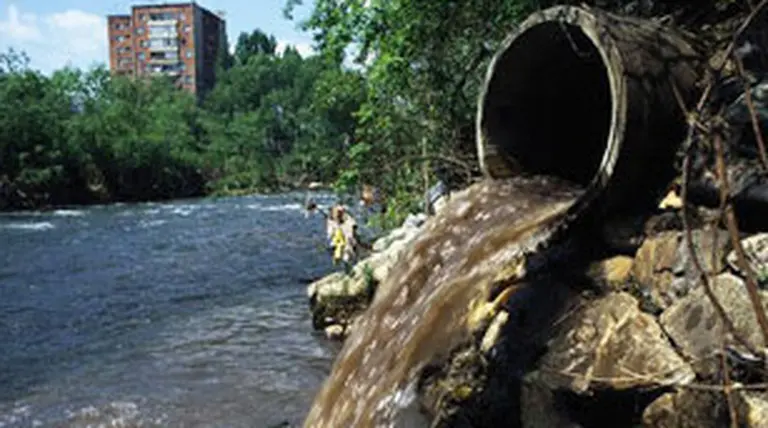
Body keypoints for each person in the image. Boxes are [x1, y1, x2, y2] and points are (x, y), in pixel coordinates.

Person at [326, 203, 359, 273]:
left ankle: (349, 268)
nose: (338, 214)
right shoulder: (331, 221)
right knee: (339, 255)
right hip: (339, 241)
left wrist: (352, 237)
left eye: (340, 212)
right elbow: (330, 233)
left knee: (348, 255)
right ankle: (345, 267)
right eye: (337, 212)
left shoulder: (348, 219)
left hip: (349, 241)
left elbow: (353, 227)